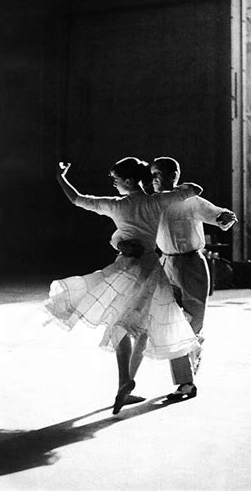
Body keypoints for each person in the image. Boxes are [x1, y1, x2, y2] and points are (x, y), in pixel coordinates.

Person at [44, 158, 201, 414]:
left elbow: (77, 199)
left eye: (116, 179)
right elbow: (194, 189)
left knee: (125, 326)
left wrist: (61, 177)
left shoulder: (117, 206)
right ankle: (124, 384)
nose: (114, 183)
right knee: (138, 328)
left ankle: (124, 383)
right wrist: (175, 189)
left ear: (128, 181)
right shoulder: (154, 202)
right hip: (151, 268)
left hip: (126, 269)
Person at [150, 156, 237, 401]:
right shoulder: (151, 203)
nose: (154, 179)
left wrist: (224, 217)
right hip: (165, 263)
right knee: (170, 322)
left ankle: (193, 349)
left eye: (159, 174)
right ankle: (186, 383)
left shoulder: (189, 200)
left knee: (192, 322)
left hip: (191, 265)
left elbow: (215, 214)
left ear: (173, 176)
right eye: (152, 174)